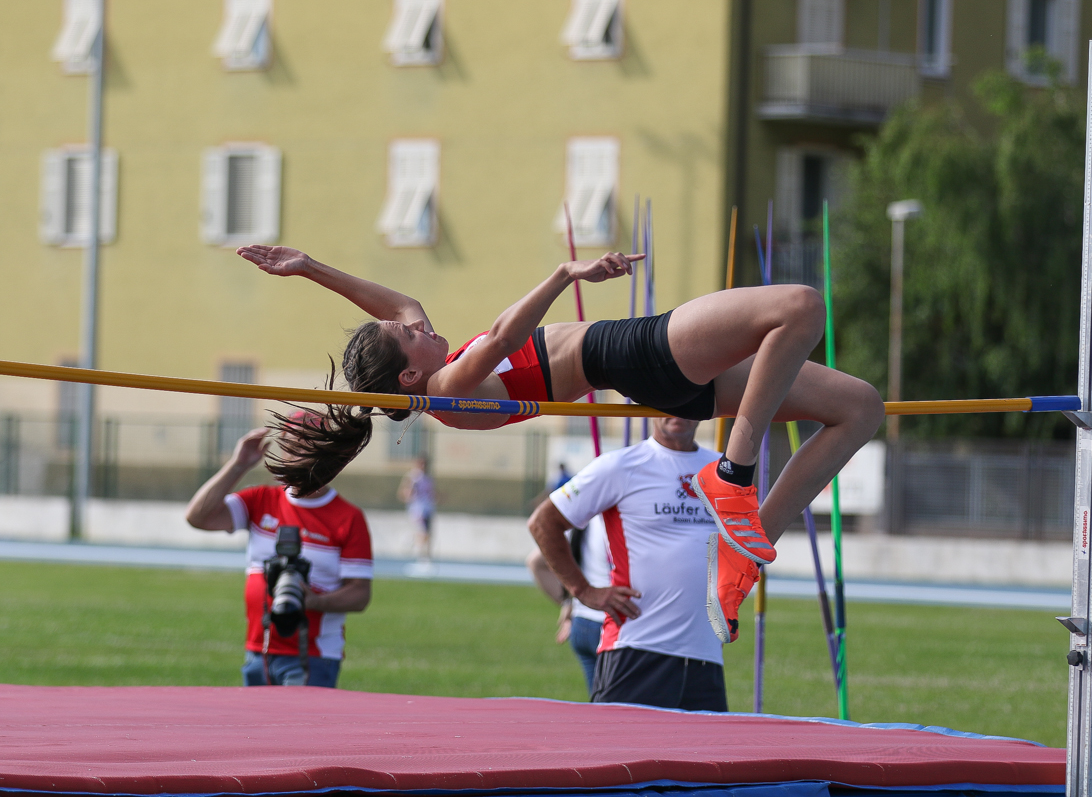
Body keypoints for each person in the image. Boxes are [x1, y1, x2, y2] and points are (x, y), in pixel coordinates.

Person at [236, 244, 882, 629]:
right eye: (411, 335)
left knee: (859, 408)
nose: (419, 323)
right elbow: (505, 337)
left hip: (651, 374)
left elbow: (396, 305)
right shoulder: (447, 388)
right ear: (409, 374)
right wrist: (564, 275)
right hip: (627, 354)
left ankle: (744, 552)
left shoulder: (431, 371)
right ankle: (734, 475)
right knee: (798, 305)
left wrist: (310, 267)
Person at [528, 416, 740, 710]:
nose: (678, 409)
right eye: (669, 399)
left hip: (705, 656)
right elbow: (542, 522)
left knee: (707, 743)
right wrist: (583, 591)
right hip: (635, 649)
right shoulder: (619, 466)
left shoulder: (723, 469)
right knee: (618, 741)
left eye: (690, 399)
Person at [185, 419, 373, 688]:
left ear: (326, 453)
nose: (296, 454)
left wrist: (315, 601)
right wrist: (238, 465)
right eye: (289, 445)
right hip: (258, 649)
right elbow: (198, 517)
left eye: (307, 445)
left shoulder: (348, 517)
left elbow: (360, 594)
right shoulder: (261, 499)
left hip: (314, 654)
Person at [526, 513, 610, 692]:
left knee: (600, 703)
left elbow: (536, 562)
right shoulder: (619, 519)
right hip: (610, 625)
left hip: (582, 624)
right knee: (624, 705)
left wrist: (569, 602)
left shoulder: (585, 516)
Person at [399, 456, 436, 561]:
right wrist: (409, 493)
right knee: (422, 532)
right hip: (417, 509)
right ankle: (420, 557)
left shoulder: (428, 478)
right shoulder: (412, 477)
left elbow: (430, 493)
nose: (423, 466)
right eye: (421, 463)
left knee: (427, 534)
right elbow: (404, 492)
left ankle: (422, 551)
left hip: (427, 509)